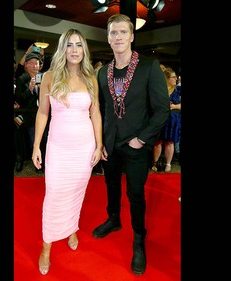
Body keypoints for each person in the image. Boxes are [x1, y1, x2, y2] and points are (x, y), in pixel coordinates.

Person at [93, 14, 170, 276]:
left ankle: (139, 238)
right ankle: (113, 219)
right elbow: (102, 109)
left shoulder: (149, 66)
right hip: (110, 143)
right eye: (113, 33)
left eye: (123, 32)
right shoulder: (103, 72)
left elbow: (161, 110)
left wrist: (142, 138)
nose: (118, 37)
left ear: (132, 36)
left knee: (135, 194)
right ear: (108, 37)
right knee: (111, 184)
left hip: (137, 144)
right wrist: (100, 141)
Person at [32, 28, 103, 275]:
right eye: (70, 45)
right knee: (53, 196)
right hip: (59, 148)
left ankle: (71, 228)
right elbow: (43, 113)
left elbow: (95, 113)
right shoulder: (50, 76)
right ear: (63, 49)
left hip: (83, 148)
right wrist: (35, 147)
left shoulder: (91, 78)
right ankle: (46, 247)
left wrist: (99, 144)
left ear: (84, 50)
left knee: (76, 192)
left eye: (79, 45)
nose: (74, 50)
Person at [151, 67, 181, 172]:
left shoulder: (178, 90)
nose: (176, 79)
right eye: (173, 77)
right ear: (167, 79)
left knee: (170, 142)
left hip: (173, 119)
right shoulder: (159, 89)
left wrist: (173, 107)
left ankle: (168, 164)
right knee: (158, 141)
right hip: (160, 117)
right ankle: (155, 162)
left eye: (176, 77)